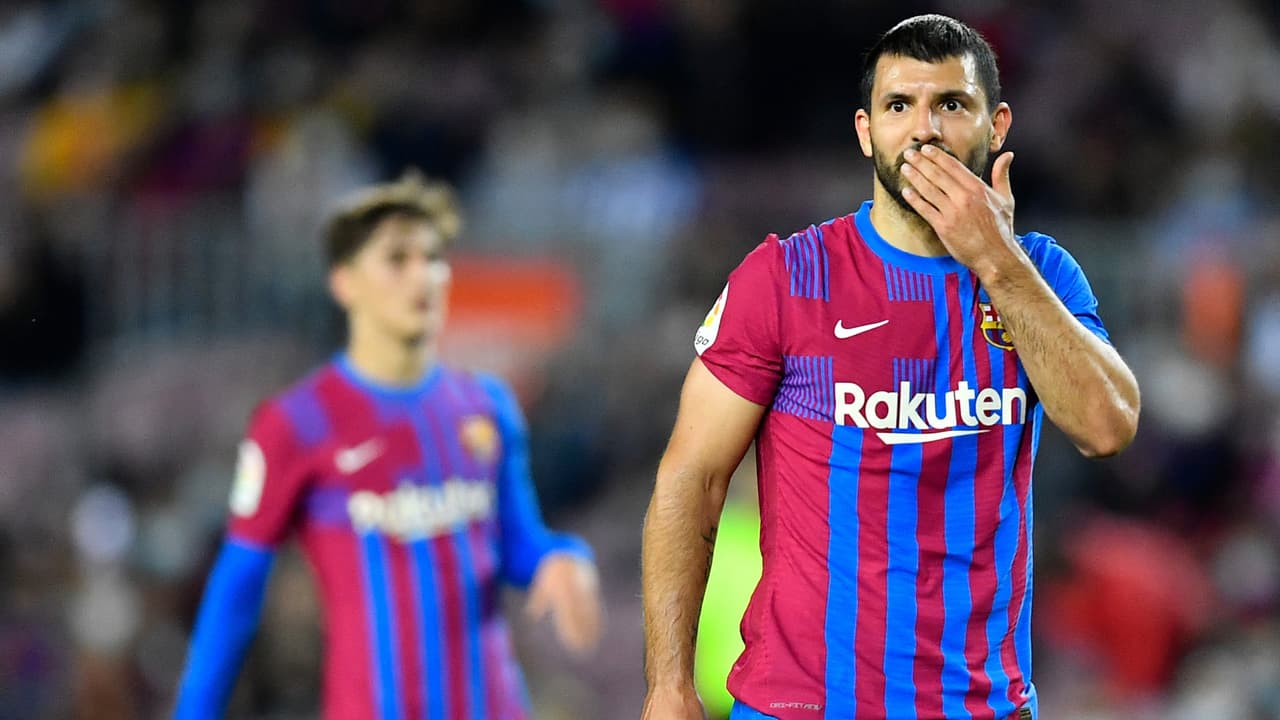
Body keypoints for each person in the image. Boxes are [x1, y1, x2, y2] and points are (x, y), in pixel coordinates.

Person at [640, 14, 1140, 720]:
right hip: (803, 707)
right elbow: (692, 476)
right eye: (899, 105)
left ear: (997, 126)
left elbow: (1107, 427)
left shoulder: (1042, 276)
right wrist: (668, 685)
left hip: (981, 707)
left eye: (951, 104)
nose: (924, 129)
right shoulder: (786, 278)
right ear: (866, 131)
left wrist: (996, 260)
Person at [174, 172, 603, 720]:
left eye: (434, 258)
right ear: (344, 283)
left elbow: (517, 544)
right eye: (398, 259)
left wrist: (563, 558)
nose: (423, 276)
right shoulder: (295, 424)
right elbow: (236, 590)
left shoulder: (486, 405)